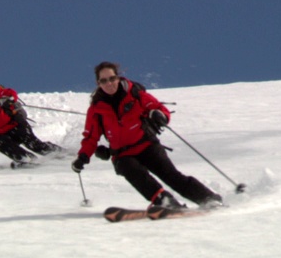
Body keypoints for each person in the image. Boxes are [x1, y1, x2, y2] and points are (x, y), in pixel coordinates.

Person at [71, 61, 223, 211]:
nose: (109, 83)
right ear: (98, 83)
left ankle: (209, 199)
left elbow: (157, 108)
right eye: (104, 80)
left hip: (147, 145)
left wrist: (159, 115)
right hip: (122, 154)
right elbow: (91, 137)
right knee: (132, 171)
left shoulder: (135, 94)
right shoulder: (96, 109)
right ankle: (165, 202)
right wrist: (82, 157)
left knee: (171, 176)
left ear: (118, 78)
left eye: (112, 78)